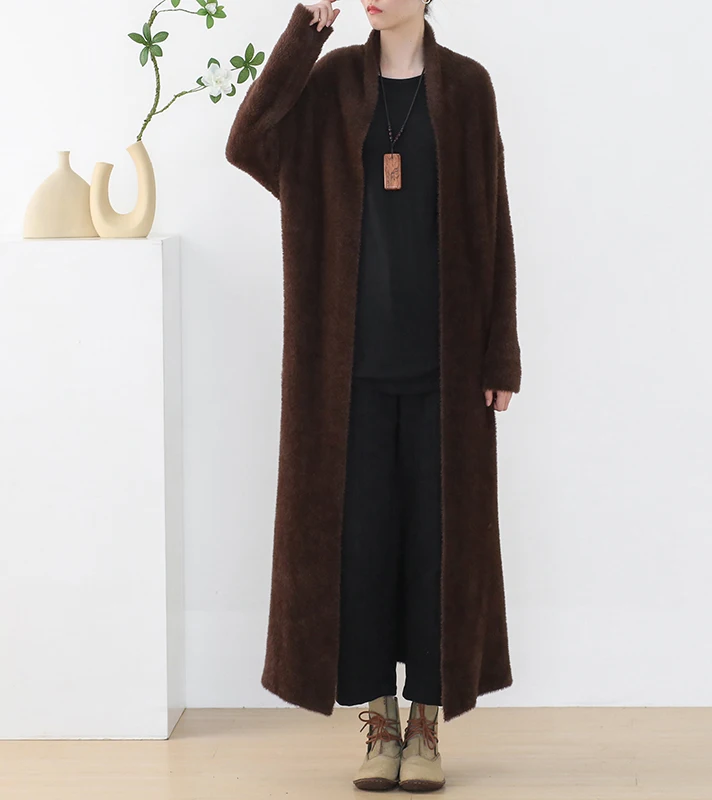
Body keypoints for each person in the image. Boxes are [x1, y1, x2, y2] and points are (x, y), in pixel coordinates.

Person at [226, 0, 521, 793]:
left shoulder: (468, 88)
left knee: (435, 554)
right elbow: (247, 143)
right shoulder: (330, 84)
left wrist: (500, 350)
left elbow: (493, 220)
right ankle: (379, 721)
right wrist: (304, 31)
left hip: (446, 373)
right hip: (344, 372)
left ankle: (426, 725)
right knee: (358, 554)